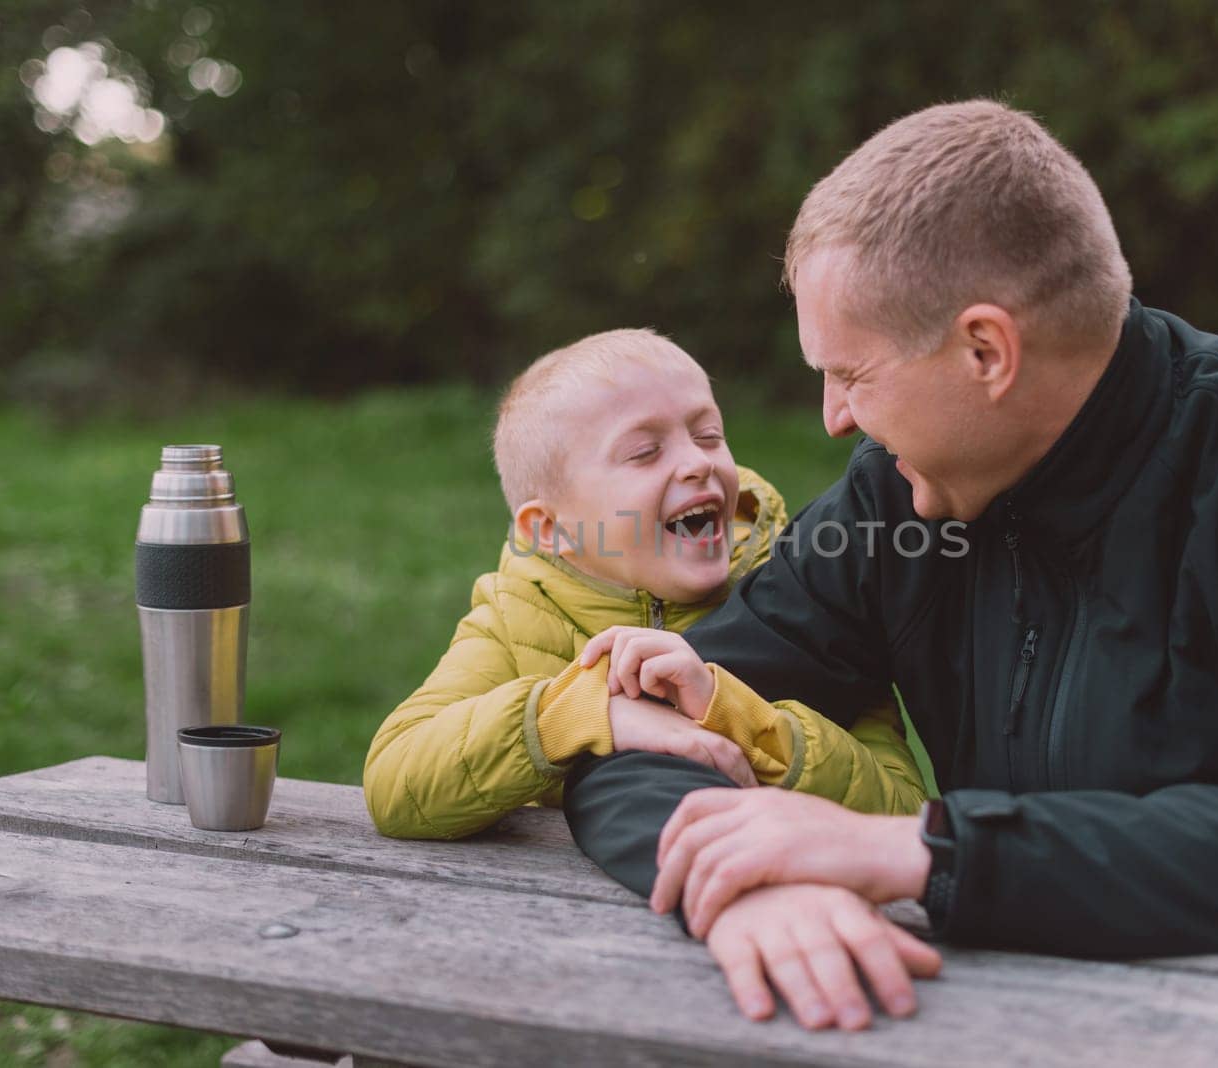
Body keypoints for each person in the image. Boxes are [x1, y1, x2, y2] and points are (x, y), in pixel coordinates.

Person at [562, 101, 1218, 1031]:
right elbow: (630, 732)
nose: (833, 418)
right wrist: (740, 889)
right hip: (1017, 1018)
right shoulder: (898, 502)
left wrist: (920, 853)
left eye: (851, 374)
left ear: (986, 350)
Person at [361, 328, 926, 841]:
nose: (696, 464)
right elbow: (395, 783)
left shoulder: (805, 593)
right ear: (552, 530)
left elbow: (903, 813)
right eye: (644, 452)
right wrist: (583, 715)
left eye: (708, 435)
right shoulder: (518, 615)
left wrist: (746, 724)